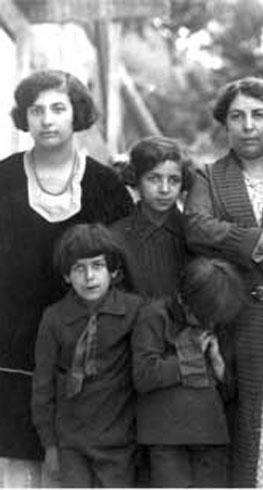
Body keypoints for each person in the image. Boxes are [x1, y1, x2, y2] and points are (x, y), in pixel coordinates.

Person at [0, 70, 132, 486]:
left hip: (83, 345)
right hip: (9, 340)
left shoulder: (104, 185)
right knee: (15, 460)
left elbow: (122, 270)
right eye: (35, 110)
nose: (47, 119)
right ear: (25, 118)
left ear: (77, 114)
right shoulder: (2, 178)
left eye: (58, 108)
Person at [184, 76, 263, 487]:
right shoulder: (210, 177)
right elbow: (198, 227)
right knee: (241, 429)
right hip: (231, 324)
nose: (248, 126)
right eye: (237, 117)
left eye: (258, 115)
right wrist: (261, 240)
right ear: (225, 124)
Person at [31, 223, 141, 487]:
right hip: (71, 446)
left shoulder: (134, 311)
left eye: (98, 266)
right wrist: (50, 446)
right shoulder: (54, 318)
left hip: (120, 444)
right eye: (79, 268)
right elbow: (42, 385)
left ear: (113, 270)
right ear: (67, 276)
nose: (89, 277)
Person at [133, 257, 245, 487]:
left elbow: (230, 392)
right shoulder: (154, 316)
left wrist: (217, 363)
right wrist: (188, 356)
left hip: (211, 433)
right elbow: (143, 376)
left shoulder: (217, 314)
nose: (209, 324)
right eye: (203, 318)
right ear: (183, 299)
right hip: (167, 436)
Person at [111, 136, 192, 299]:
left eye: (174, 180)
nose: (164, 189)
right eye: (154, 178)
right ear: (136, 179)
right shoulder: (115, 237)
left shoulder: (194, 233)